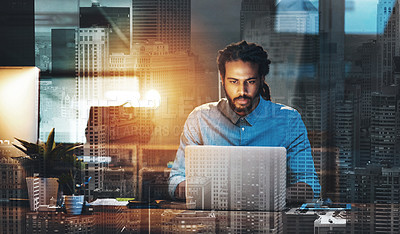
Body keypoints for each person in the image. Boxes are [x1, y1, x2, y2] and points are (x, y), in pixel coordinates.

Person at [168, 40, 321, 200]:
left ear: (262, 79)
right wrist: (208, 192)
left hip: (271, 219)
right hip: (212, 218)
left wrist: (269, 197)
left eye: (250, 81)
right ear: (222, 78)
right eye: (234, 81)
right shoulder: (200, 119)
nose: (242, 91)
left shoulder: (289, 120)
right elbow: (176, 180)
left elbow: (309, 184)